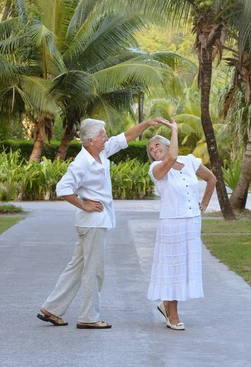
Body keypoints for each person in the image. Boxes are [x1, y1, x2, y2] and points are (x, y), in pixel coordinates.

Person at [37, 117, 164, 329]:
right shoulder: (81, 163)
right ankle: (88, 317)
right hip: (92, 224)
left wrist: (147, 124)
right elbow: (63, 188)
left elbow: (126, 137)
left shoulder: (101, 152)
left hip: (95, 223)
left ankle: (52, 308)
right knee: (93, 271)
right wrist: (83, 205)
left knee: (77, 268)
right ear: (89, 141)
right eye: (102, 135)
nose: (106, 137)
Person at [146, 118, 216, 330]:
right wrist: (174, 129)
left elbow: (211, 179)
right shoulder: (157, 168)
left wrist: (203, 205)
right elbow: (172, 157)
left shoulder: (190, 161)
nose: (154, 149)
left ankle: (166, 304)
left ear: (166, 144)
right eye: (150, 148)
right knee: (173, 268)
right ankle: (172, 313)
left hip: (192, 222)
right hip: (171, 223)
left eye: (157, 144)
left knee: (185, 267)